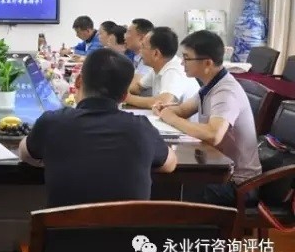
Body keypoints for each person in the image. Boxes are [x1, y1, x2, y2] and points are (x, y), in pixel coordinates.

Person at [19, 48, 177, 207]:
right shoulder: (142, 129)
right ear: (124, 96)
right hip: (126, 224)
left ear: (78, 81)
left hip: (65, 224)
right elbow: (170, 164)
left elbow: (25, 153)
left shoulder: (52, 122)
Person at [153, 30, 261, 206]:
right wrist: (166, 110)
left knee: (169, 190)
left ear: (207, 63)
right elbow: (183, 110)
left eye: (186, 58)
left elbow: (213, 134)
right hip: (218, 170)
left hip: (238, 185)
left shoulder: (226, 91)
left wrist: (170, 117)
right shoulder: (210, 85)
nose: (182, 63)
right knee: (164, 185)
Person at [126, 27, 200, 109]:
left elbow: (163, 102)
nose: (140, 51)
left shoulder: (173, 70)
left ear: (156, 53)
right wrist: (119, 93)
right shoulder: (158, 67)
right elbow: (137, 87)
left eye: (143, 47)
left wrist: (127, 98)